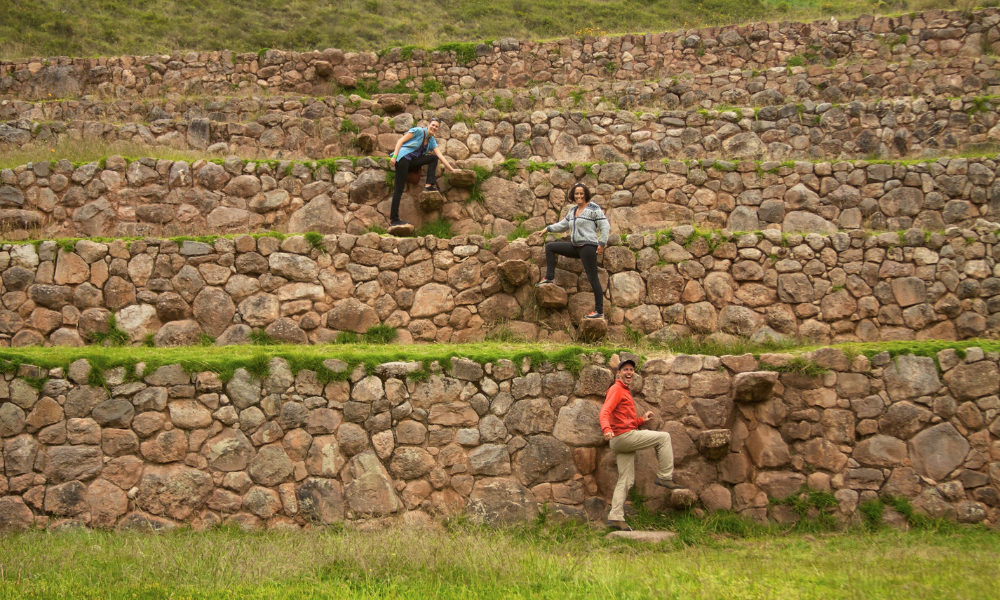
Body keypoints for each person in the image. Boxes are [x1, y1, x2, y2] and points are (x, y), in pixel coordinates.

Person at [599, 357, 680, 532]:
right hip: (623, 438)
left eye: (631, 370)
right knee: (664, 438)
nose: (629, 372)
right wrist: (606, 429)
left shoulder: (625, 391)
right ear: (618, 373)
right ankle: (665, 476)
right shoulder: (616, 389)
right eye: (625, 369)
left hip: (622, 438)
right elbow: (605, 411)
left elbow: (624, 420)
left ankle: (615, 517)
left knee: (626, 480)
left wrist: (641, 420)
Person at [536, 183, 610, 319]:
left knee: (593, 279)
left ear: (585, 194)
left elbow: (605, 225)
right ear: (573, 195)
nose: (579, 196)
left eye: (581, 193)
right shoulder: (573, 211)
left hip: (588, 247)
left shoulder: (593, 208)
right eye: (577, 193)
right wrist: (548, 229)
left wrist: (602, 243)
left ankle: (599, 311)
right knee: (550, 247)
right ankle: (549, 278)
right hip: (575, 247)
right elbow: (563, 225)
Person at [388, 117, 458, 231]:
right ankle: (394, 220)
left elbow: (440, 156)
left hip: (411, 161)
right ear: (428, 124)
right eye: (433, 125)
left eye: (436, 126)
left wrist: (452, 170)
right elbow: (400, 141)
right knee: (399, 188)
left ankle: (429, 185)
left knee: (433, 158)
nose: (434, 127)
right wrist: (394, 157)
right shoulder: (418, 131)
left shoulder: (431, 141)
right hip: (402, 159)